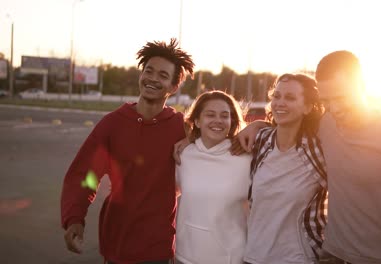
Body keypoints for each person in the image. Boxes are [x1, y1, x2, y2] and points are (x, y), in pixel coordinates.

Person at [236, 51, 381, 264]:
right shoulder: (325, 124)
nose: (335, 108)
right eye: (327, 100)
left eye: (341, 98)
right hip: (331, 255)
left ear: (361, 85)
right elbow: (290, 119)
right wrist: (258, 125)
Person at [61, 38, 195, 264]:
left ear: (173, 87)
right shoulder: (113, 124)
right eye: (149, 71)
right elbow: (84, 174)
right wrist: (74, 218)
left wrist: (256, 125)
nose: (152, 78)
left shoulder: (182, 127)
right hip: (116, 247)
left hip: (158, 249)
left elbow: (224, 133)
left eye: (163, 75)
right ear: (140, 75)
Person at [243, 73, 328, 264]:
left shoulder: (318, 149)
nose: (280, 102)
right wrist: (186, 140)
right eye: (277, 96)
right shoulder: (260, 140)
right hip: (254, 256)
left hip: (298, 257)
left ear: (307, 107)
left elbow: (352, 183)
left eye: (290, 98)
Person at [174, 90, 251, 264]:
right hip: (184, 257)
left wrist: (259, 125)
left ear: (232, 122)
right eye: (210, 115)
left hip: (231, 259)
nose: (218, 121)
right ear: (197, 121)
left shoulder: (247, 158)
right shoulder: (183, 155)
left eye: (225, 116)